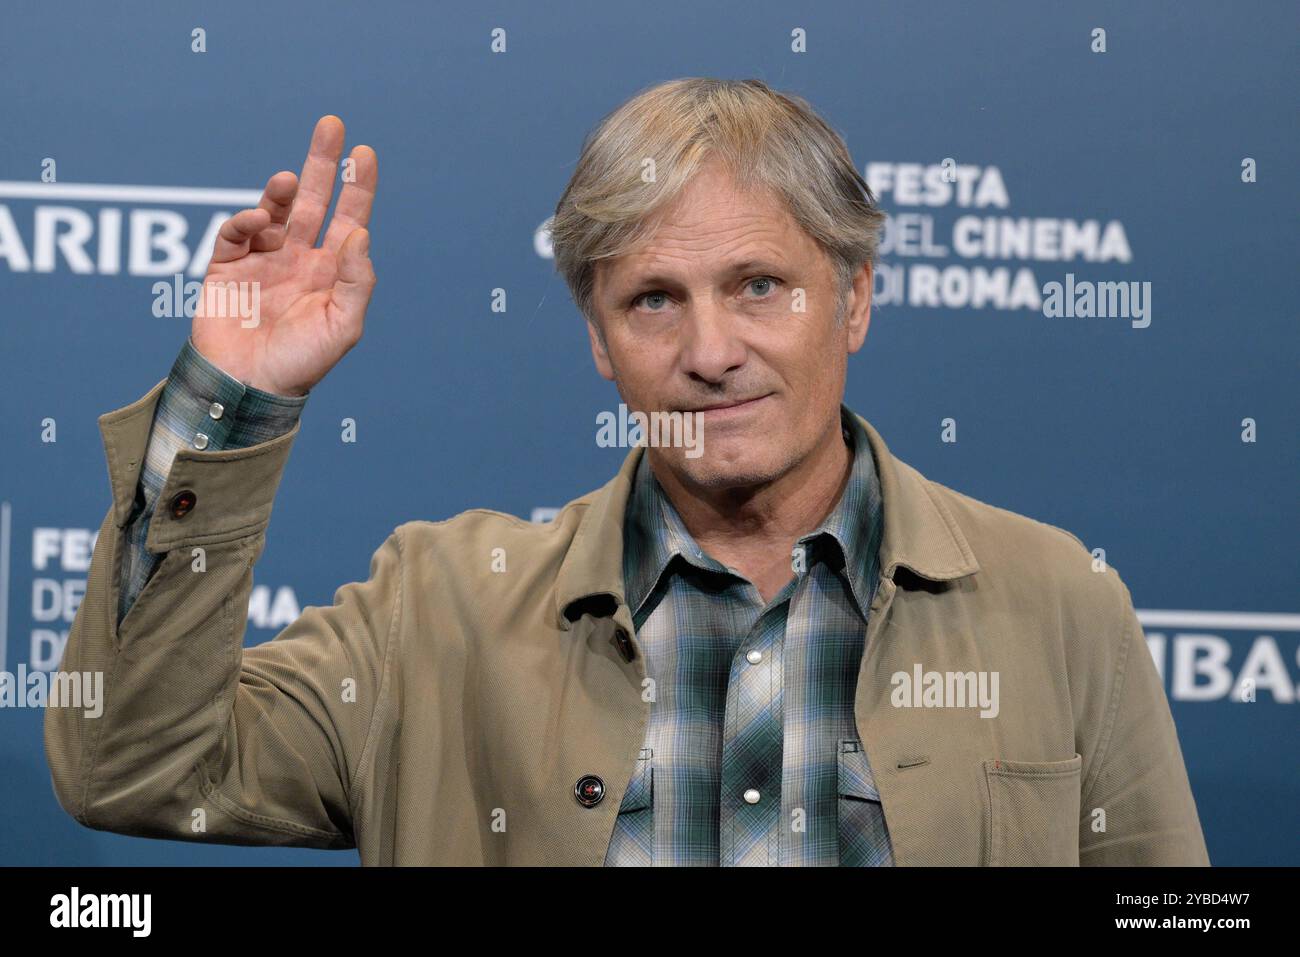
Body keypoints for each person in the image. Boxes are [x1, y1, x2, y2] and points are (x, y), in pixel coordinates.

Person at [45, 78, 1209, 866]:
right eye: (654, 300)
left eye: (760, 285)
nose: (710, 353)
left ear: (853, 297)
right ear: (599, 342)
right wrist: (229, 403)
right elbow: (133, 769)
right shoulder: (431, 612)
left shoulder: (1056, 603)